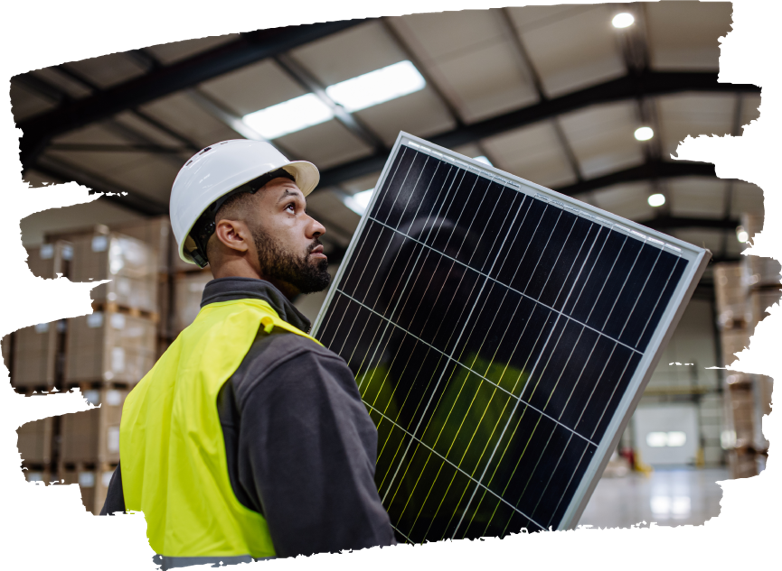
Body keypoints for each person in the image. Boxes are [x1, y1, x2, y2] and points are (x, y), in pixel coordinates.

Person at [99, 140, 398, 568]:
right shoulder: (290, 363)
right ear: (233, 235)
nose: (315, 226)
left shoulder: (151, 387)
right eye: (290, 208)